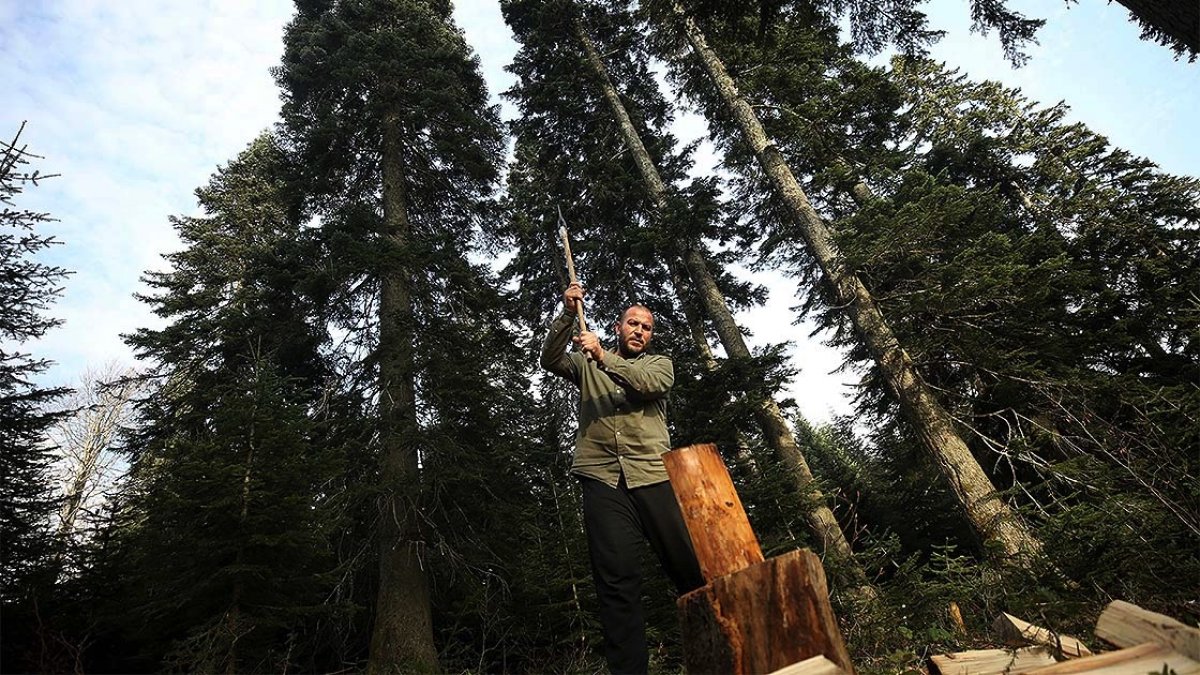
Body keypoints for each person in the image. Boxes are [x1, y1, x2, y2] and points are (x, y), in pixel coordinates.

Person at [540, 281, 705, 674]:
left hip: (653, 475)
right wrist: (567, 313)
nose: (639, 331)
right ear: (619, 327)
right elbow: (549, 358)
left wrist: (603, 357)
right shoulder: (584, 363)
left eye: (646, 327)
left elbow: (646, 385)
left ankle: (726, 653)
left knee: (690, 571)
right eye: (632, 323)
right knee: (617, 586)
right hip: (602, 481)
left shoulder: (658, 365)